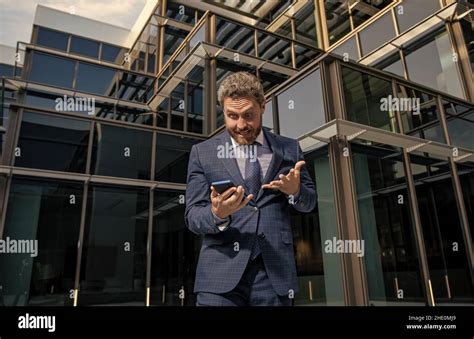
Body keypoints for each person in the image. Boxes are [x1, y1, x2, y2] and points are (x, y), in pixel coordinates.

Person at [185, 71, 317, 306]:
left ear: (263, 106)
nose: (241, 125)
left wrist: (296, 191)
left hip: (274, 274)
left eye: (249, 115)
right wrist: (217, 214)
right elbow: (193, 216)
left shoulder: (289, 148)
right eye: (232, 116)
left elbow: (310, 203)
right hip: (219, 278)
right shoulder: (202, 153)